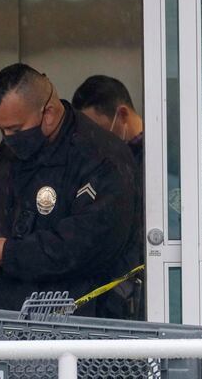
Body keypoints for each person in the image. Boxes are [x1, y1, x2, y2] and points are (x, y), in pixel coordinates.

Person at [0, 64, 137, 316]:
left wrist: (12, 253)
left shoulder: (101, 156)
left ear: (50, 113)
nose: (7, 138)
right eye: (0, 130)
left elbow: (89, 242)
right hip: (6, 318)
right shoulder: (5, 155)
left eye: (15, 129)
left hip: (79, 322)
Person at [72, 75, 145, 320]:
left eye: (98, 129)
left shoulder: (159, 156)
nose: (95, 139)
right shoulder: (95, 162)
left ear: (122, 115)